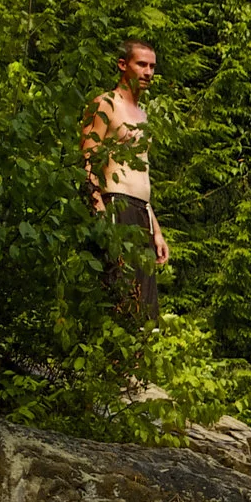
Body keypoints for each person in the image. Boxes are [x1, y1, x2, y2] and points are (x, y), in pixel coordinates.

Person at [81, 38, 168, 322]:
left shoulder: (143, 116)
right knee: (120, 296)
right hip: (115, 205)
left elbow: (141, 173)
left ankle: (141, 352)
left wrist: (156, 230)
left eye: (152, 66)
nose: (148, 72)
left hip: (142, 211)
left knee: (146, 306)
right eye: (141, 64)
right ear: (122, 65)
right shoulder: (105, 104)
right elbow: (87, 160)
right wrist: (98, 208)